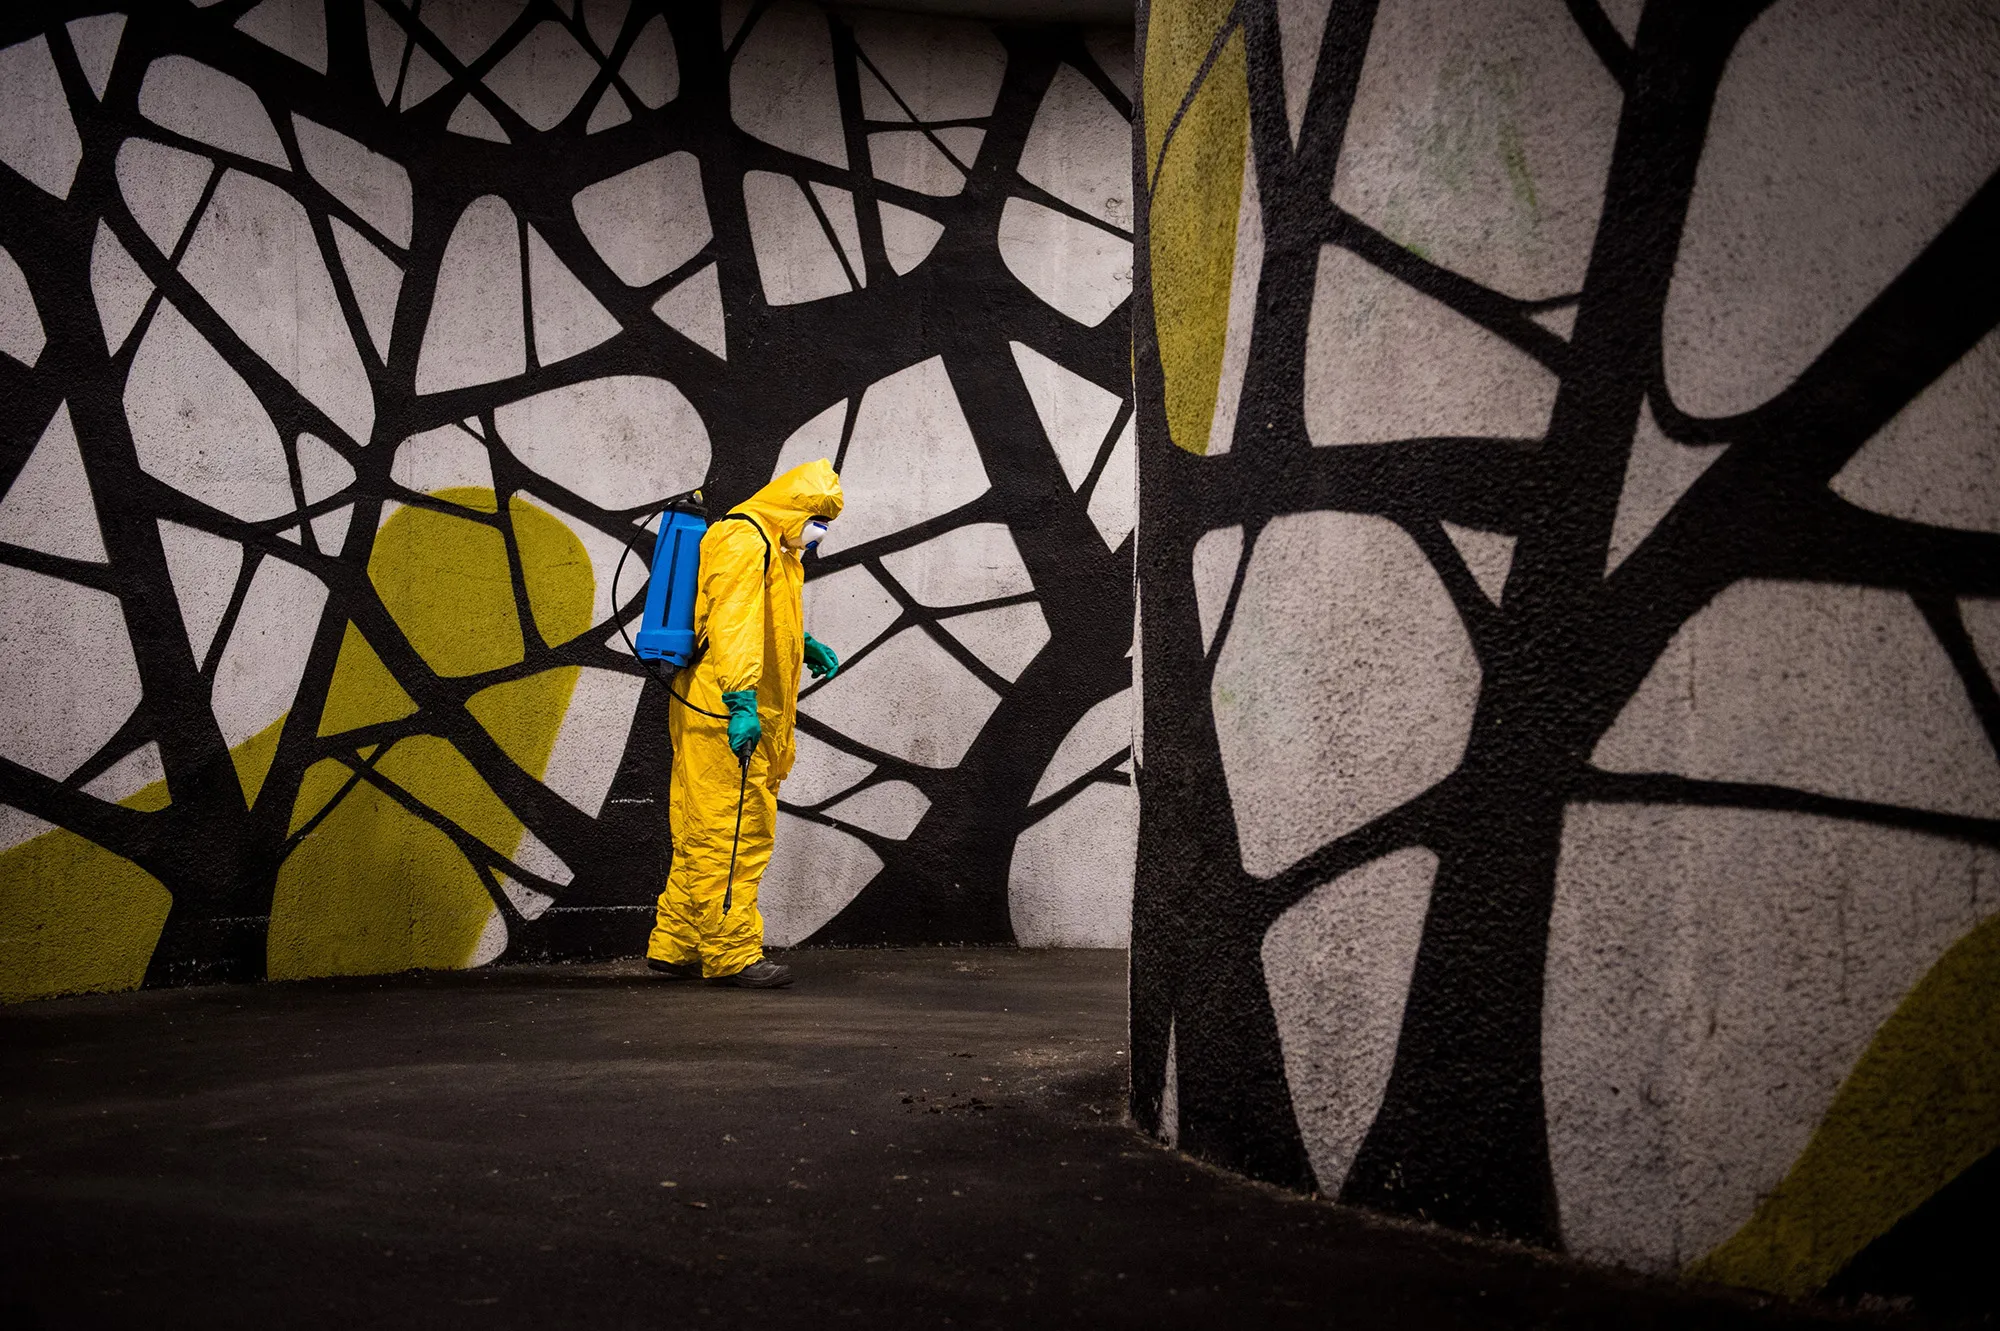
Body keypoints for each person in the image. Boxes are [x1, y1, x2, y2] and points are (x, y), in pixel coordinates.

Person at [646, 458, 844, 988]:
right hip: (726, 709)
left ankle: (676, 942)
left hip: (731, 704)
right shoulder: (745, 540)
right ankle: (732, 953)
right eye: (818, 516)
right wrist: (741, 703)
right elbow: (732, 627)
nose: (821, 529)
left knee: (701, 826)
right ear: (793, 507)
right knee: (734, 831)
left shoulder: (774, 549)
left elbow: (758, 616)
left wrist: (805, 645)